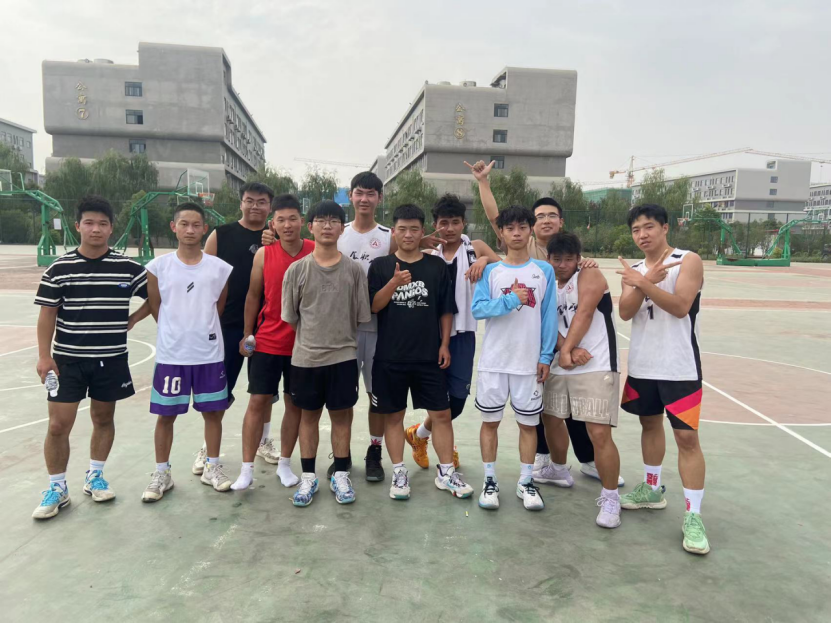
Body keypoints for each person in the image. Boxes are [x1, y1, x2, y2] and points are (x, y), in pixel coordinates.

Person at [468, 159, 622, 488]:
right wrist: (483, 183)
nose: (545, 220)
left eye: (552, 215)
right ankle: (544, 461)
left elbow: (573, 309)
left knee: (580, 415)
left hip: (571, 347)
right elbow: (497, 219)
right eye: (540, 216)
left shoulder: (570, 257)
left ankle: (589, 461)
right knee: (548, 413)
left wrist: (563, 348)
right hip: (544, 347)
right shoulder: (528, 249)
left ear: (561, 222)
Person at [31, 195, 148, 519]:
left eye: (103, 223)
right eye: (89, 223)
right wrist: (44, 357)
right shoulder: (59, 269)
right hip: (67, 361)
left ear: (111, 229)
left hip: (111, 359)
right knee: (58, 425)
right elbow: (47, 315)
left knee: (103, 419)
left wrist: (134, 318)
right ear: (77, 226)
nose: (96, 229)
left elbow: (157, 296)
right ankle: (57, 487)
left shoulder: (128, 268)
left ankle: (95, 475)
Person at [616, 203, 709, 555]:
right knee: (649, 425)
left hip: (679, 367)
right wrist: (641, 282)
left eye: (649, 227)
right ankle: (652, 489)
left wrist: (642, 283)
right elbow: (625, 312)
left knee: (687, 438)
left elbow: (681, 306)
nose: (642, 234)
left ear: (665, 228)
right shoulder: (635, 269)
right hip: (643, 365)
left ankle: (693, 515)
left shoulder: (688, 260)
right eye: (636, 229)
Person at [368, 204, 474, 501]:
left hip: (428, 356)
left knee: (441, 414)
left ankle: (446, 473)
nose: (408, 234)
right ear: (394, 231)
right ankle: (399, 472)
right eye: (402, 229)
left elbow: (446, 310)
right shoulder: (380, 266)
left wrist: (444, 344)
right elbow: (374, 306)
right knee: (393, 416)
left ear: (422, 231)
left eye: (414, 229)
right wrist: (394, 283)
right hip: (390, 357)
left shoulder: (436, 266)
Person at [141, 203, 233, 502]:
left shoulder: (219, 268)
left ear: (204, 229)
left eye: (196, 225)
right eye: (184, 224)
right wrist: (176, 331)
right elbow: (156, 306)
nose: (190, 230)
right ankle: (162, 473)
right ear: (174, 227)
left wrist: (199, 329)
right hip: (172, 356)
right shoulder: (158, 267)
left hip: (208, 354)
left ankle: (212, 467)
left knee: (213, 414)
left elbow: (218, 307)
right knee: (166, 416)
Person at [282, 200, 371, 507]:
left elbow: (360, 316)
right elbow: (291, 318)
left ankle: (341, 474)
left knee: (341, 418)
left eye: (334, 221)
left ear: (341, 228)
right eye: (321, 220)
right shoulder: (297, 270)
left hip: (343, 358)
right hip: (306, 359)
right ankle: (308, 477)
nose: (327, 226)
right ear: (311, 227)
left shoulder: (354, 271)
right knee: (308, 417)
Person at [404, 194, 500, 470]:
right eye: (443, 223)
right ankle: (447, 450)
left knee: (456, 401)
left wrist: (484, 260)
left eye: (455, 222)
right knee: (437, 397)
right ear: (435, 225)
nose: (449, 228)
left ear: (463, 224)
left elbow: (502, 266)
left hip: (464, 332)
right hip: (430, 335)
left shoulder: (475, 248)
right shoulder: (427, 254)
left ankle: (420, 433)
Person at [471, 205, 556, 511]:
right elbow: (478, 309)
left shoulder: (544, 271)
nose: (516, 233)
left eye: (522, 227)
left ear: (530, 230)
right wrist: (508, 300)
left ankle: (526, 481)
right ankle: (489, 481)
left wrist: (546, 356)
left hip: (528, 364)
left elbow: (549, 317)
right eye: (510, 228)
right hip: (494, 362)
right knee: (490, 422)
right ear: (502, 234)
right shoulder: (491, 271)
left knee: (528, 425)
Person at [192, 182, 278, 475]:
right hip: (226, 326)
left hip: (267, 326)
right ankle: (207, 447)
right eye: (250, 200)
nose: (255, 206)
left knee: (264, 391)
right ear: (241, 203)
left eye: (262, 201)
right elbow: (204, 278)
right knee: (219, 390)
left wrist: (274, 244)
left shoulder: (278, 236)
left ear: (270, 207)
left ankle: (264, 441)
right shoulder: (221, 234)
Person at [230, 194, 313, 491]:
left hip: (304, 345)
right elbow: (253, 295)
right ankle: (246, 470)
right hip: (267, 342)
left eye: (292, 219)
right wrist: (247, 333)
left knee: (294, 405)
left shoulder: (315, 250)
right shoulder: (264, 254)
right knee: (257, 402)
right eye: (281, 220)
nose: (287, 225)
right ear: (272, 224)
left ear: (302, 221)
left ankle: (285, 464)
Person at [546, 233, 622, 528]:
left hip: (595, 363)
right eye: (557, 259)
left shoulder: (589, 275)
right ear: (549, 259)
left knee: (599, 433)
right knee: (551, 420)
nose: (563, 265)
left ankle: (611, 497)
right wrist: (566, 350)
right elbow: (545, 323)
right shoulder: (547, 283)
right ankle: (558, 469)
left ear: (579, 259)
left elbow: (586, 312)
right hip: (562, 363)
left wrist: (567, 350)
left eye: (569, 259)